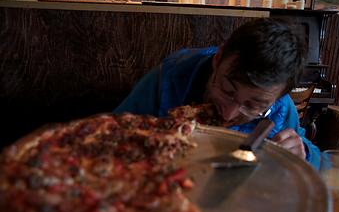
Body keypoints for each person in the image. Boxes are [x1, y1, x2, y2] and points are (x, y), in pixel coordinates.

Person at [113, 18, 321, 170]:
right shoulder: (168, 78)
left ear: (277, 97)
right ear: (218, 59)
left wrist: (303, 153)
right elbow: (114, 130)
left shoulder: (281, 110)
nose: (228, 115)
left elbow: (321, 163)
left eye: (253, 105)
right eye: (228, 91)